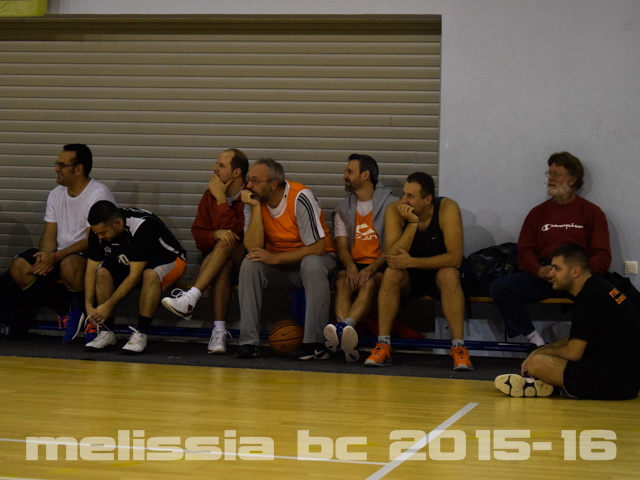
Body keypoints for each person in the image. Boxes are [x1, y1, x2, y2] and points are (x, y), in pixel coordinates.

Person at [491, 152, 611, 348]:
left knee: (612, 296)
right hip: (546, 275)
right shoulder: (537, 213)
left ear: (572, 179)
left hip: (577, 276)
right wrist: (539, 270)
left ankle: (590, 346)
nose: (551, 178)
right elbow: (525, 252)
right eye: (550, 173)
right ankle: (535, 341)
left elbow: (602, 256)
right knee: (500, 287)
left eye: (557, 174)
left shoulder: (592, 212)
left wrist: (577, 272)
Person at [495, 244, 640, 400]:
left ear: (575, 271)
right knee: (543, 357)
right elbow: (575, 337)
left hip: (616, 383)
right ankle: (548, 384)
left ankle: (548, 383)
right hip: (626, 380)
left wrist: (540, 353)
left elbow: (573, 353)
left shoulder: (588, 297)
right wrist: (544, 349)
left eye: (557, 269)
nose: (550, 273)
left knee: (537, 363)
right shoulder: (597, 288)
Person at [364, 172, 473, 371]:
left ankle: (459, 348)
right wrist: (412, 224)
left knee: (449, 275)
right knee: (391, 273)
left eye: (411, 196)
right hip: (411, 277)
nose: (404, 200)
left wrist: (413, 262)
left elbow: (455, 258)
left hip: (439, 273)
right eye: (404, 194)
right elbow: (393, 256)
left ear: (428, 199)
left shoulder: (447, 208)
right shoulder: (394, 210)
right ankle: (383, 344)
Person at [6, 144, 115, 342]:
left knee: (69, 265)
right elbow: (49, 234)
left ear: (78, 169)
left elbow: (92, 240)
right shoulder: (56, 193)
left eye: (61, 165)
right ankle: (68, 311)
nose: (56, 168)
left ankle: (92, 319)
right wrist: (46, 257)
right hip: (60, 255)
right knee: (19, 267)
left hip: (89, 256)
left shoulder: (98, 194)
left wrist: (55, 257)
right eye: (56, 164)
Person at [237, 158, 337, 359]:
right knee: (250, 263)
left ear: (273, 183)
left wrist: (275, 258)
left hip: (317, 260)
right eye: (249, 179)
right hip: (281, 267)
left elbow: (317, 248)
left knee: (311, 264)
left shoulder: (300, 197)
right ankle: (249, 342)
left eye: (255, 181)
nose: (249, 185)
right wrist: (255, 209)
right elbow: (253, 247)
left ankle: (316, 344)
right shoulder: (253, 200)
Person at [161, 149, 249, 354]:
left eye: (221, 166)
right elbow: (199, 237)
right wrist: (215, 234)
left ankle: (191, 297)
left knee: (227, 240)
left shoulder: (249, 194)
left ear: (236, 172)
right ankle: (219, 333)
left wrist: (221, 201)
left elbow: (240, 233)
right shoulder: (209, 196)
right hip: (218, 261)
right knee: (223, 263)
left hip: (247, 261)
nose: (214, 169)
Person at [83, 201, 187, 354]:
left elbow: (135, 276)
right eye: (97, 233)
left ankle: (141, 333)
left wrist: (107, 306)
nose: (100, 237)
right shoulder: (97, 231)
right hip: (132, 262)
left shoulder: (141, 227)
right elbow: (91, 270)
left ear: (116, 223)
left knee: (150, 274)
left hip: (170, 260)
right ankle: (107, 331)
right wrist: (88, 305)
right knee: (102, 272)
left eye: (103, 233)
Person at [324, 154, 397, 362]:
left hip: (381, 265)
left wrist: (370, 269)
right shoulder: (342, 209)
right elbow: (341, 247)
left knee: (369, 283)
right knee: (342, 282)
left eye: (349, 172)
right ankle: (344, 338)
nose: (344, 176)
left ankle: (342, 329)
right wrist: (351, 267)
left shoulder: (391, 205)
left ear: (365, 175)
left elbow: (392, 249)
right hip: (354, 264)